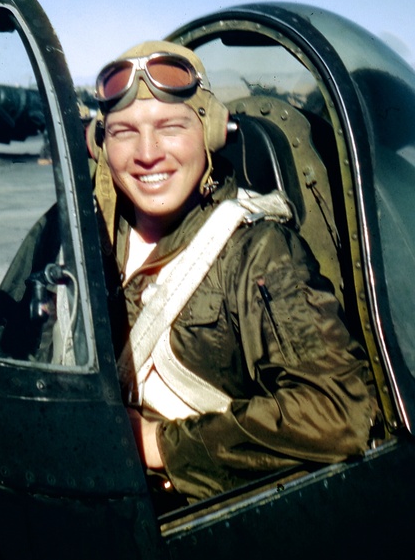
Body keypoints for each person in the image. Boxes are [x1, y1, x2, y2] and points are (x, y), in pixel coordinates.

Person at [87, 41, 376, 503]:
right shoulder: (79, 237)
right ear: (99, 142)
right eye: (124, 133)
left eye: (170, 127)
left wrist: (157, 444)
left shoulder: (257, 252)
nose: (147, 153)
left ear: (212, 132)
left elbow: (337, 412)